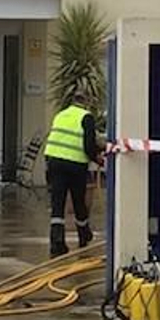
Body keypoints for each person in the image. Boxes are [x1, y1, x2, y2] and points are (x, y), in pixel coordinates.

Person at [43, 93, 104, 257]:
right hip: (75, 164)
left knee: (58, 203)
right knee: (78, 200)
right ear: (87, 103)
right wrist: (99, 159)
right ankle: (83, 235)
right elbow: (88, 146)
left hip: (53, 162)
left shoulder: (60, 115)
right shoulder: (86, 117)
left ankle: (57, 243)